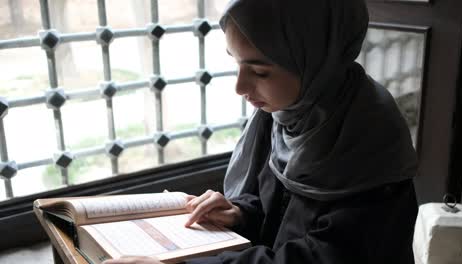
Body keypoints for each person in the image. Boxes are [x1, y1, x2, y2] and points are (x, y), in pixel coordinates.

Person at [103, 0, 419, 263]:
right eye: (236, 63)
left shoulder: (368, 143)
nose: (240, 87)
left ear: (316, 59)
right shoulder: (289, 111)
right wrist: (241, 214)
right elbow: (282, 215)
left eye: (259, 71)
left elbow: (320, 257)